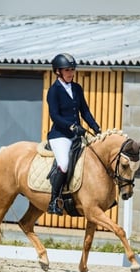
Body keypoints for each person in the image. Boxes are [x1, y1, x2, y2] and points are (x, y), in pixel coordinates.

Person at [46, 53, 101, 215]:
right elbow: (54, 116)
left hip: (76, 134)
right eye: (67, 70)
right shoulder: (53, 91)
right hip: (60, 135)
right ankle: (54, 201)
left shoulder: (77, 88)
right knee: (63, 163)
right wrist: (71, 126)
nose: (71, 73)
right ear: (58, 72)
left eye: (72, 69)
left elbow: (85, 111)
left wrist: (96, 127)